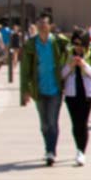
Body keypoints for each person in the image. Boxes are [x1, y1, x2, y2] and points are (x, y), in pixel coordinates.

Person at [20, 14, 70, 166]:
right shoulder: (31, 44)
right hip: (39, 89)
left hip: (55, 89)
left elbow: (71, 47)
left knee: (52, 121)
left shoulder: (57, 42)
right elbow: (25, 69)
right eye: (40, 23)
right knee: (44, 123)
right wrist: (25, 90)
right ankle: (47, 148)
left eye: (45, 23)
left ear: (50, 26)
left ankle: (51, 151)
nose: (42, 26)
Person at [61, 28, 91, 167]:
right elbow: (61, 74)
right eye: (75, 43)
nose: (77, 47)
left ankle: (81, 151)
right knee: (75, 123)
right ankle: (78, 147)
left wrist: (84, 65)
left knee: (83, 122)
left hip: (87, 94)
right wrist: (70, 65)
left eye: (80, 44)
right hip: (71, 93)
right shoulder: (67, 54)